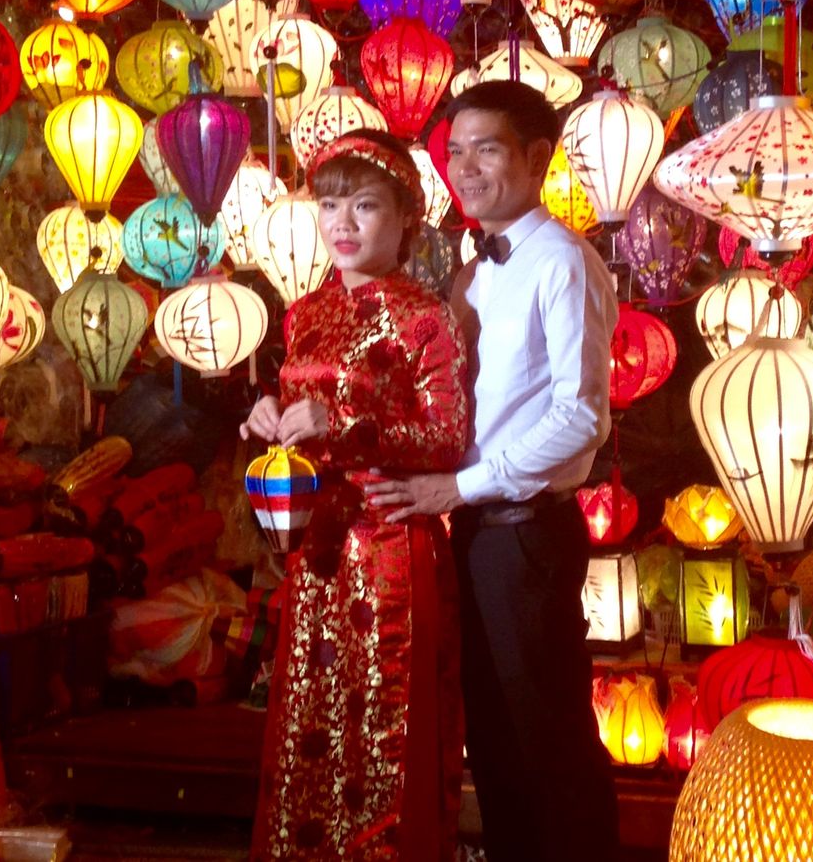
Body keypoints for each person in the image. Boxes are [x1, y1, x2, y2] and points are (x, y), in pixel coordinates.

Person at [365, 82, 622, 861]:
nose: (466, 169)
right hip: (477, 531)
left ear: (537, 158)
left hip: (526, 533)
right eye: (455, 153)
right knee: (497, 742)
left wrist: (458, 487)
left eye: (486, 150)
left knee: (547, 739)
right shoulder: (472, 271)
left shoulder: (563, 262)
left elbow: (581, 416)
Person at [242, 129, 469, 861]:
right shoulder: (304, 314)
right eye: (329, 205)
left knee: (380, 726)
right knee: (311, 721)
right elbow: (301, 415)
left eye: (365, 206)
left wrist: (340, 424)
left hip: (388, 547)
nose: (342, 223)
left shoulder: (424, 316)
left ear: (405, 219)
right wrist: (270, 419)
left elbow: (447, 437)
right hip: (317, 550)